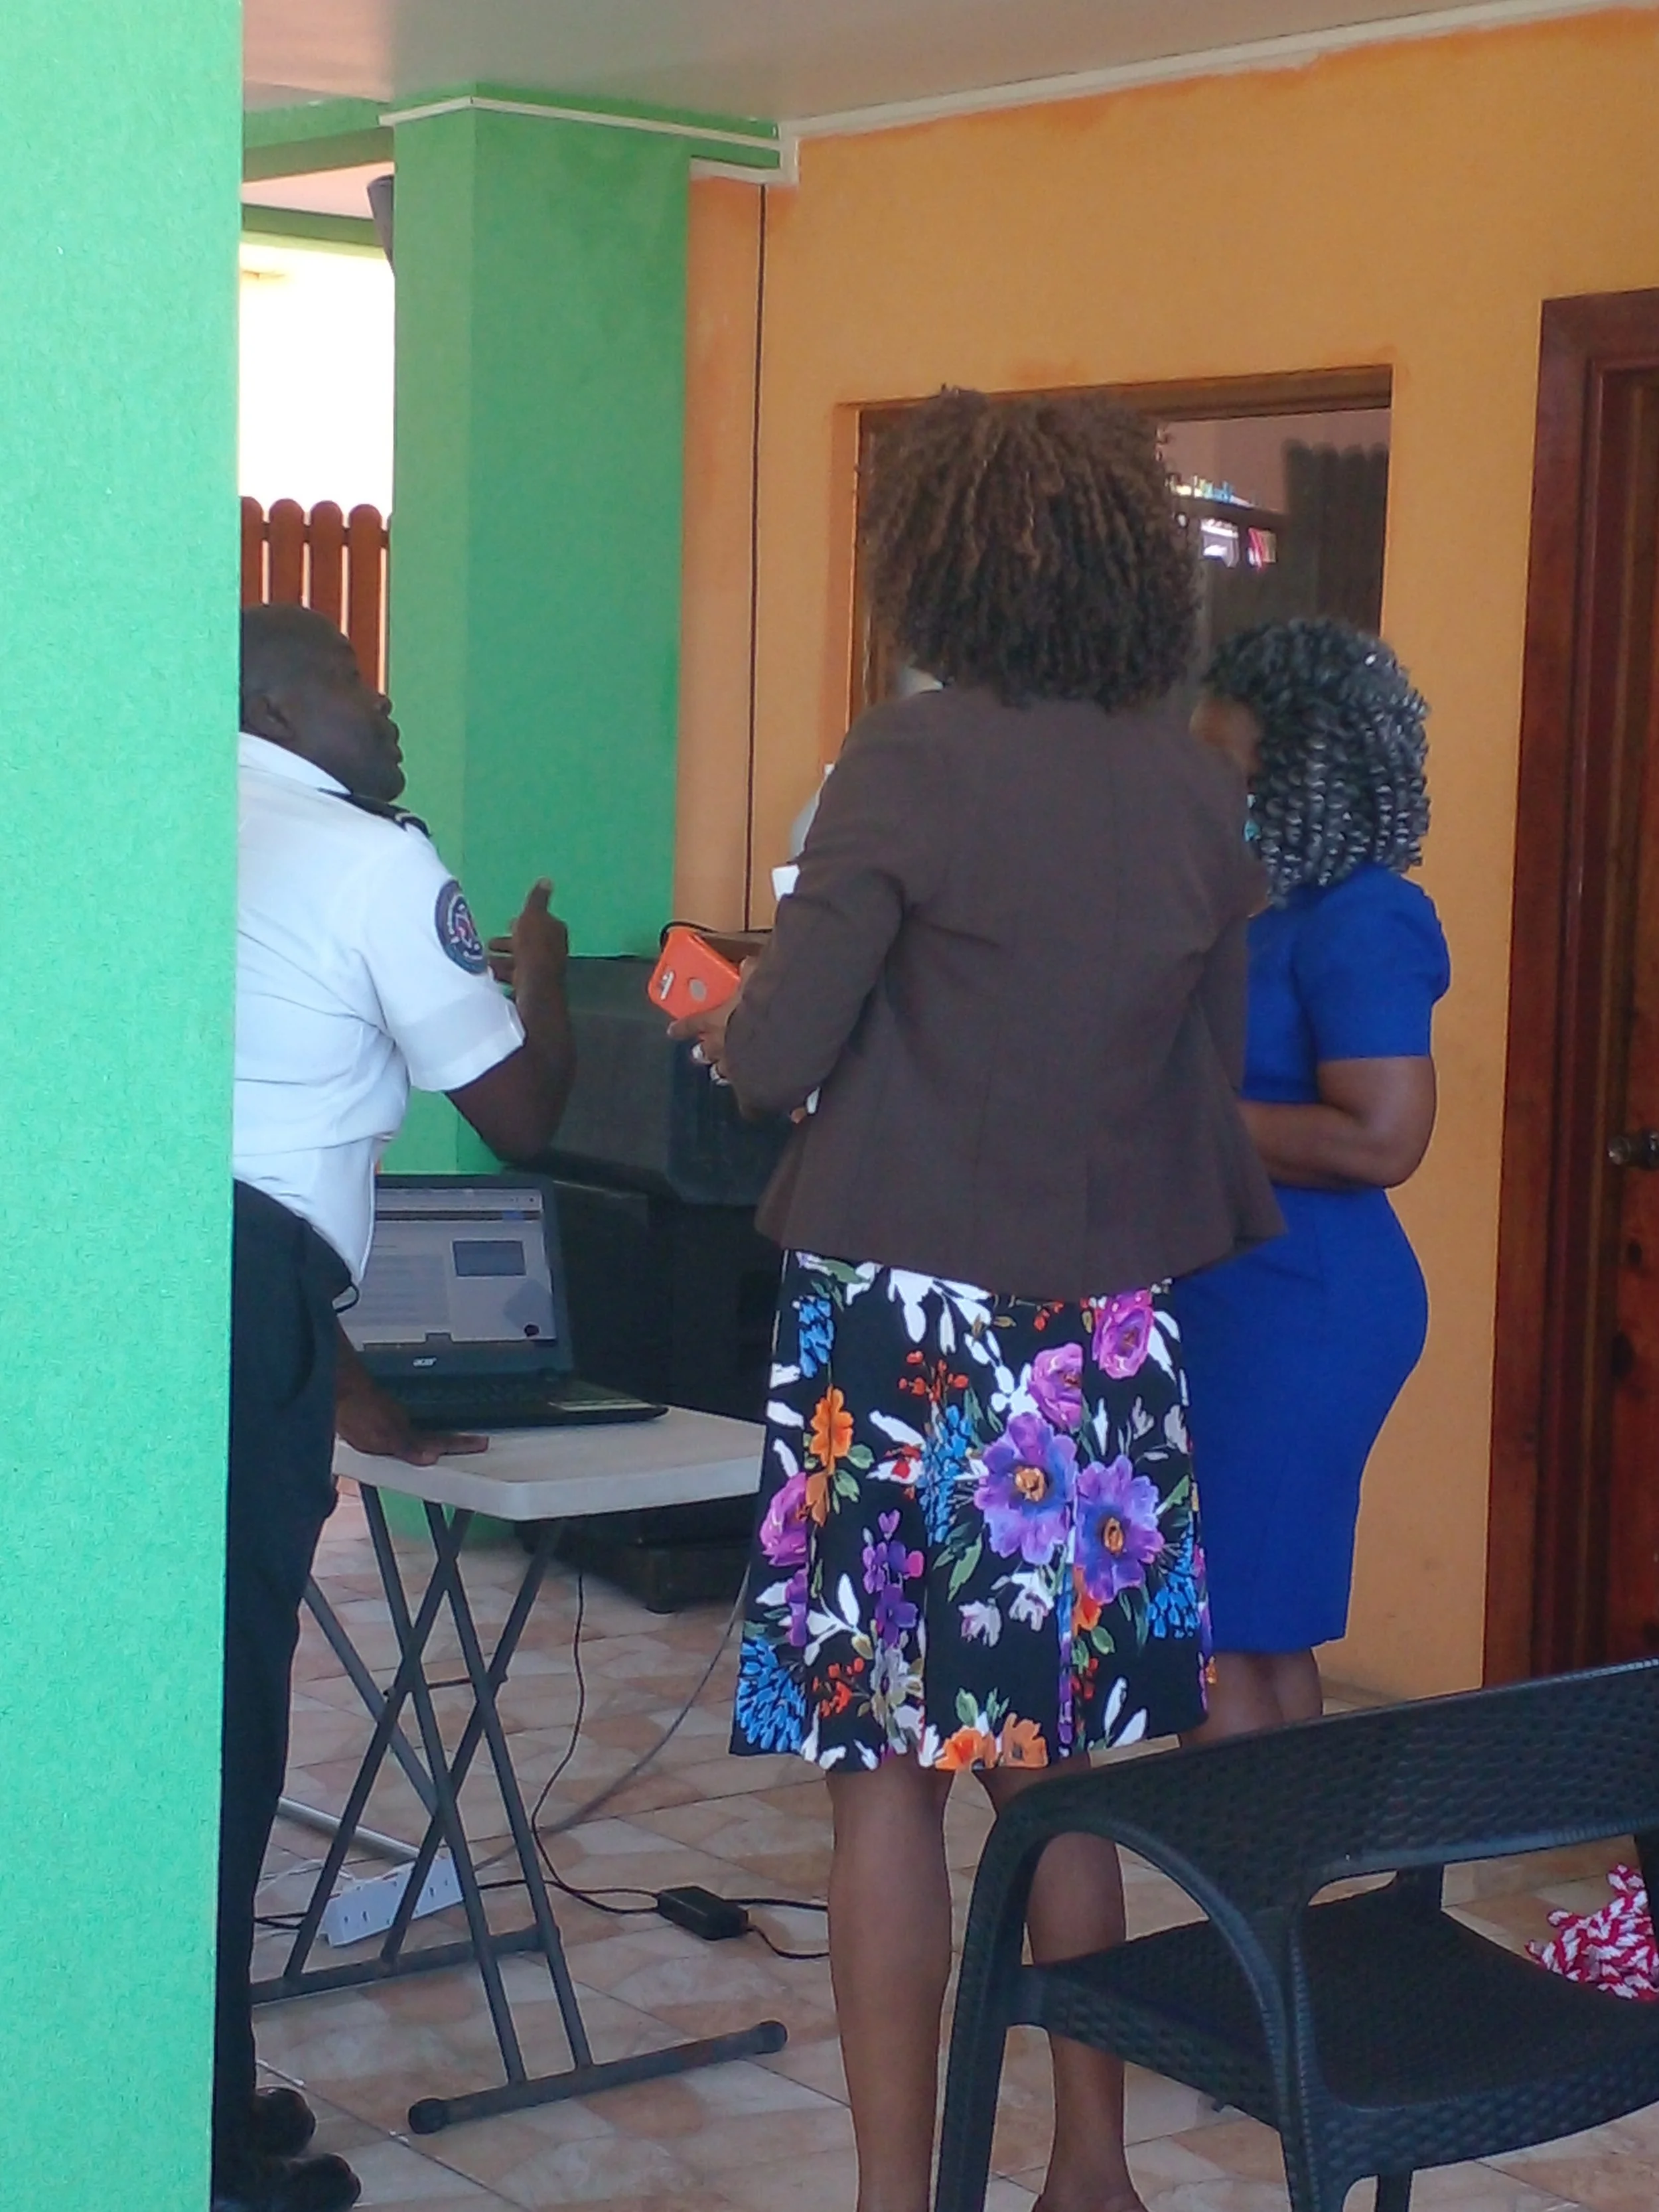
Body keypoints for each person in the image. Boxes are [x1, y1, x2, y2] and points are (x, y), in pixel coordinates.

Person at [672, 388, 1281, 2212]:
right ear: (1127, 573)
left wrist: (726, 1019)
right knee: (1058, 1773)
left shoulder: (907, 759)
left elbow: (780, 1054)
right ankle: (1092, 2168)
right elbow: (1202, 1083)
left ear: (935, 566)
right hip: (1100, 1345)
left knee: (886, 1781)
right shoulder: (1193, 790)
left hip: (899, 1336)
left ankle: (892, 2196)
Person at [221, 604, 575, 2212]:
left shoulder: (177, 826)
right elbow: (521, 1113)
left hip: (179, 1300)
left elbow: (232, 1137)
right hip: (249, 1302)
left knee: (176, 1710)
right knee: (229, 1726)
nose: (388, 713)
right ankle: (202, 2156)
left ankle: (192, 2083)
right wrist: (538, 977)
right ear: (278, 700)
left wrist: (345, 1379)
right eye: (357, 684)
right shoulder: (372, 858)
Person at [1177, 619, 1450, 1741]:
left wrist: (1173, 1113)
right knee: (1253, 1626)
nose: (1203, 791)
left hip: (1303, 1307)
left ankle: (1237, 1855)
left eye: (1225, 769)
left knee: (1215, 1633)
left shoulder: (1365, 915)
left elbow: (1385, 1138)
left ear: (1302, 778)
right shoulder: (1261, 911)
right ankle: (1288, 1855)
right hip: (1239, 1293)